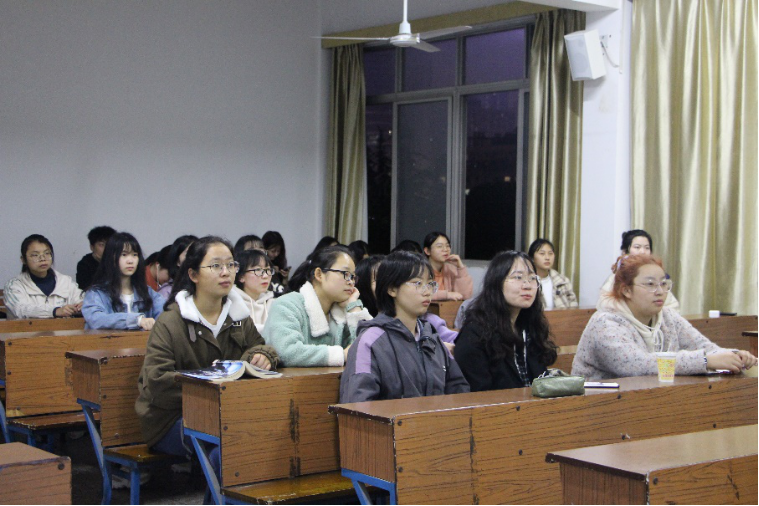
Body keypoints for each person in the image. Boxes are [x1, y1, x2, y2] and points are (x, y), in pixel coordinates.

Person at [135, 236, 279, 477]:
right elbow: (157, 381)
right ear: (193, 274)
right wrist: (213, 388)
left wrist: (262, 356)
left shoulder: (238, 316)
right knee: (232, 439)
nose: (226, 272)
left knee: (258, 432)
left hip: (227, 413)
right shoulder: (170, 322)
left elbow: (260, 346)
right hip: (171, 420)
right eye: (216, 266)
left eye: (231, 265)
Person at [573, 255, 757, 380]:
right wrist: (705, 361)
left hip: (645, 403)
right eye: (650, 284)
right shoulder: (605, 323)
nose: (660, 291)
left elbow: (704, 347)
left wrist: (735, 355)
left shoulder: (667, 316)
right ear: (626, 290)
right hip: (597, 409)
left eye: (664, 284)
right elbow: (637, 365)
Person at [340, 251, 470, 403]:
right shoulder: (370, 341)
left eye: (430, 284)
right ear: (392, 289)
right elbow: (357, 403)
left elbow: (458, 389)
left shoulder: (431, 338)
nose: (427, 292)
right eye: (418, 283)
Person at [454, 251, 558, 391]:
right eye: (518, 277)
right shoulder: (475, 333)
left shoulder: (529, 327)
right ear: (497, 282)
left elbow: (541, 380)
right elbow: (478, 393)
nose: (527, 285)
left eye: (532, 278)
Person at [262, 246, 371, 367]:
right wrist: (342, 355)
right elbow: (287, 352)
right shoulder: (287, 305)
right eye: (345, 274)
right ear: (319, 274)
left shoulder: (341, 310)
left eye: (353, 276)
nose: (351, 282)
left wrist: (354, 306)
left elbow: (371, 346)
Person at [82, 232, 165, 330]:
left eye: (135, 255)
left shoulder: (148, 293)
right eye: (124, 255)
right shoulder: (96, 294)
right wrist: (136, 320)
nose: (130, 261)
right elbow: (96, 319)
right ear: (111, 258)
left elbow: (165, 318)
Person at [4, 234, 84, 319]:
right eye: (35, 255)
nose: (43, 258)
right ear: (23, 259)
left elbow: (81, 300)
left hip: (64, 327)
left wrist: (83, 305)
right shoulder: (15, 285)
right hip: (29, 328)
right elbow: (20, 309)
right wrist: (54, 311)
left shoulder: (65, 281)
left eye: (47, 253)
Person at [599, 229, 679, 311]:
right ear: (625, 251)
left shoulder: (658, 278)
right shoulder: (616, 279)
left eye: (647, 248)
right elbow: (605, 305)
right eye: (637, 247)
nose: (643, 252)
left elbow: (672, 306)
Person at [232, 249, 276, 332]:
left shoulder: (274, 304)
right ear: (241, 276)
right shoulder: (231, 303)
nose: (265, 276)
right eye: (258, 270)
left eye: (268, 270)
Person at [528, 239, 578, 310]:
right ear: (532, 258)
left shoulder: (562, 281)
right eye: (542, 253)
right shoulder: (527, 282)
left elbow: (573, 305)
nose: (547, 258)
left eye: (550, 253)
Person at [422, 232, 473, 301]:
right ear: (427, 251)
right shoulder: (420, 270)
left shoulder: (450, 269)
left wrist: (460, 267)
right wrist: (447, 295)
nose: (445, 249)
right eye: (439, 246)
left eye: (447, 246)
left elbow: (465, 296)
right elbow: (421, 293)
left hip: (447, 307)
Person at [159, 235, 198, 300]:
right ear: (177, 261)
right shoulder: (167, 291)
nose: (194, 258)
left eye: (197, 253)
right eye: (188, 254)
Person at [76, 226, 116, 290]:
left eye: (109, 244)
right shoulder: (84, 265)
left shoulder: (119, 261)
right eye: (102, 245)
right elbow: (86, 289)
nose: (107, 248)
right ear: (92, 247)